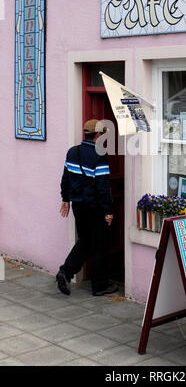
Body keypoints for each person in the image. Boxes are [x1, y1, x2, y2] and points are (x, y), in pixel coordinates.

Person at [56, 119, 118, 297]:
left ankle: (65, 272)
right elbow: (103, 188)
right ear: (98, 135)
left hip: (78, 207)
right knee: (99, 244)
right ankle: (99, 286)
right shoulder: (99, 155)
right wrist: (108, 211)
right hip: (95, 207)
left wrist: (65, 199)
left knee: (85, 240)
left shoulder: (72, 152)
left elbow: (65, 178)